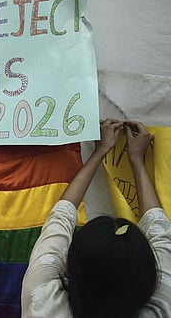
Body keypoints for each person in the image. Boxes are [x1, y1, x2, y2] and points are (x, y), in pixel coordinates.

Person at [21, 119, 171, 317]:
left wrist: (99, 152)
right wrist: (136, 160)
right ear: (150, 276)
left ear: (68, 265)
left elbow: (59, 219)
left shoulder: (43, 301)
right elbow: (160, 232)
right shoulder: (162, 308)